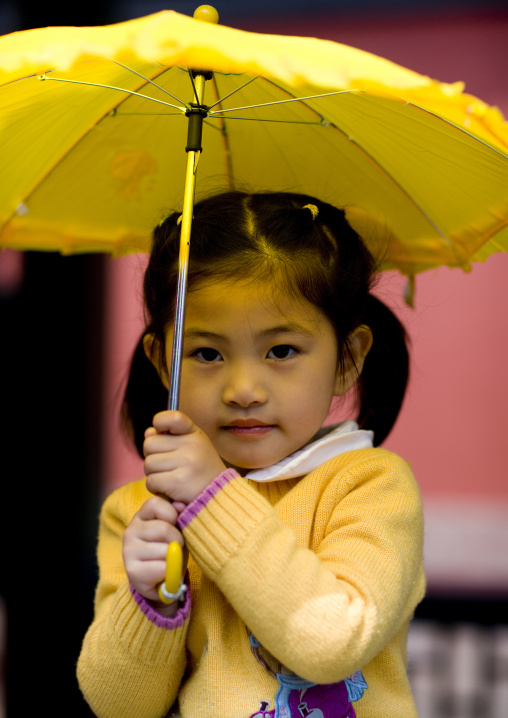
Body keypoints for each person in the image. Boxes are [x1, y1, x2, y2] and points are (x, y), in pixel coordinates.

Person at [77, 191, 425, 718]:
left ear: (348, 359)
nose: (243, 389)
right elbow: (119, 705)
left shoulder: (371, 487)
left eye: (281, 351)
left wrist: (213, 499)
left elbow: (331, 641)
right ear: (162, 360)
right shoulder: (139, 511)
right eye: (207, 353)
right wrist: (152, 603)